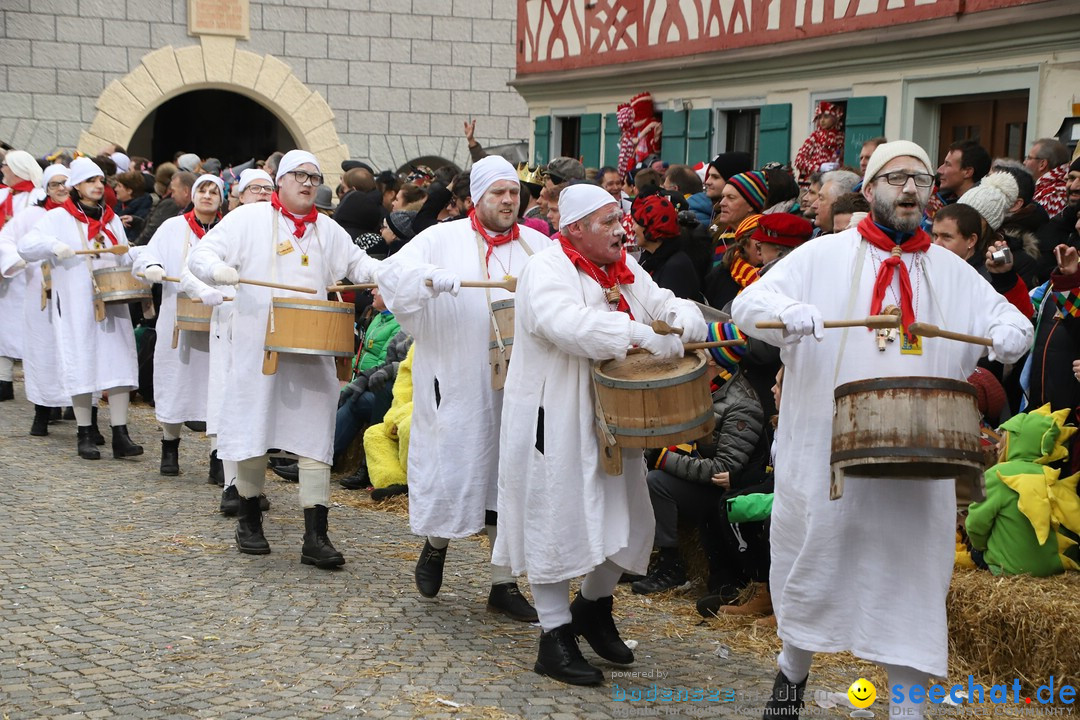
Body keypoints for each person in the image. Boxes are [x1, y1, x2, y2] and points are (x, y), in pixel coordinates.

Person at [731, 140, 1032, 719]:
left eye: (919, 178)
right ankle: (793, 672)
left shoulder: (949, 269)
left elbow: (1007, 320)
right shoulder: (821, 257)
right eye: (895, 178)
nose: (910, 188)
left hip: (920, 451)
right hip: (828, 448)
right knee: (814, 555)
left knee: (913, 573)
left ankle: (908, 709)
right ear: (869, 192)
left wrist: (1011, 334)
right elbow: (751, 304)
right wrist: (784, 316)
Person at [492, 183, 708, 686]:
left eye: (620, 219)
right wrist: (638, 333)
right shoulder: (547, 268)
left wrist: (683, 318)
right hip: (557, 413)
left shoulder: (623, 269)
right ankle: (554, 636)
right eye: (608, 222)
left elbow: (662, 302)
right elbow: (564, 323)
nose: (621, 229)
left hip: (614, 416)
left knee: (632, 520)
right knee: (556, 518)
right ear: (575, 229)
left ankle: (592, 606)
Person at [377, 155, 553, 621]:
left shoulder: (537, 245)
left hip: (518, 383)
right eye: (499, 192)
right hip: (459, 379)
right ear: (476, 197)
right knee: (458, 468)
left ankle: (502, 582)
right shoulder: (441, 237)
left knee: (509, 475)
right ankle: (436, 546)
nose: (509, 200)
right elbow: (391, 275)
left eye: (514, 192)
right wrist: (427, 279)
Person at [187, 150, 380, 569]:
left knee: (315, 435)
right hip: (260, 346)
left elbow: (360, 264)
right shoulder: (248, 219)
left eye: (314, 176)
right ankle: (250, 520)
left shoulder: (328, 229)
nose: (307, 183)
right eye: (298, 176)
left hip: (314, 347)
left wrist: (391, 272)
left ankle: (316, 535)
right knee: (256, 425)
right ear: (281, 181)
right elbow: (200, 257)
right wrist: (219, 271)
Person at [19, 157, 145, 460]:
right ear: (76, 186)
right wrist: (52, 245)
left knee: (118, 366)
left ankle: (120, 434)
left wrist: (142, 258)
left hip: (112, 303)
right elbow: (26, 246)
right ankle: (85, 431)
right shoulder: (58, 218)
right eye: (91, 181)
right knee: (81, 362)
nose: (98, 186)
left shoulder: (111, 218)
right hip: (77, 306)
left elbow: (123, 255)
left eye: (101, 181)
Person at [132, 174, 225, 476]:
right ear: (193, 195)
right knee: (175, 381)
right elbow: (147, 254)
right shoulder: (173, 227)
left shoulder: (227, 231)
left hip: (216, 320)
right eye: (203, 190)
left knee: (217, 388)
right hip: (176, 321)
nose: (208, 196)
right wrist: (152, 267)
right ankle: (169, 446)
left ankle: (217, 457)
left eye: (214, 191)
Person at [201, 167, 274, 515]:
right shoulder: (231, 225)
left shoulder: (282, 226)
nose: (261, 194)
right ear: (241, 195)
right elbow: (197, 263)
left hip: (271, 328)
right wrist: (213, 282)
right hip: (232, 324)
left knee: (260, 408)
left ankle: (251, 485)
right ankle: (232, 484)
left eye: (267, 188)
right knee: (233, 401)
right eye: (254, 188)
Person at [0, 164, 70, 432]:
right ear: (46, 189)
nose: (62, 188)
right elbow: (6, 239)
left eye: (66, 182)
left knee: (73, 351)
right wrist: (19, 260)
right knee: (43, 350)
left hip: (73, 295)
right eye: (55, 184)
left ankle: (76, 407)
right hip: (40, 293)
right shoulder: (32, 215)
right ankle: (42, 410)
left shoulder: (80, 215)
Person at [0, 150, 43, 401]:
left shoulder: (37, 197)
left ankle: (36, 386)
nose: (2, 169)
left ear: (17, 168)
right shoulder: (3, 194)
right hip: (6, 271)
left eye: (5, 165)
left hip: (28, 272)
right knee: (4, 328)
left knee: (31, 328)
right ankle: (4, 381)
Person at [632, 193, 700, 300]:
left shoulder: (675, 268)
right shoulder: (650, 257)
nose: (633, 228)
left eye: (637, 223)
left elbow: (670, 312)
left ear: (653, 228)